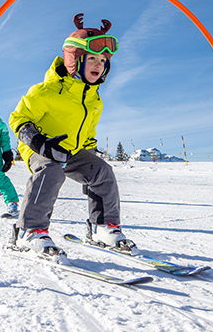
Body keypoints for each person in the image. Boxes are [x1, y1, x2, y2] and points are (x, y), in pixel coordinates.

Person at [7, 13, 135, 256]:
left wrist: (91, 152)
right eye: (92, 59)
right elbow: (18, 118)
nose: (99, 64)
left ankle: (103, 227)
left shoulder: (94, 100)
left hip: (72, 152)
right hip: (40, 148)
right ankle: (29, 231)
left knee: (102, 172)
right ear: (74, 61)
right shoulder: (48, 90)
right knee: (51, 169)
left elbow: (87, 134)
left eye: (103, 60)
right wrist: (40, 144)